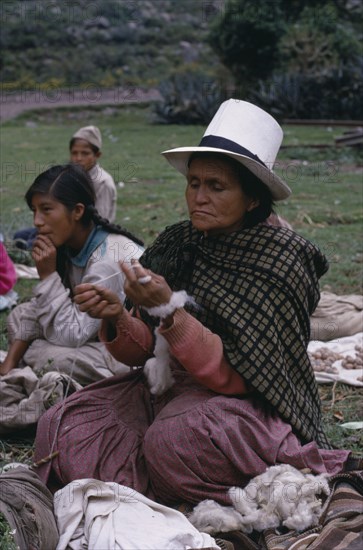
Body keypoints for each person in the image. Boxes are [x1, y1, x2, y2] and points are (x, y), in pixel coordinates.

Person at [34, 100, 359, 504]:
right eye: (194, 183)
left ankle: (170, 479)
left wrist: (171, 309)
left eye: (216, 186)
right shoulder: (177, 243)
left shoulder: (281, 260)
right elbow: (145, 354)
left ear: (253, 199)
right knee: (62, 426)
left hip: (243, 405)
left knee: (173, 443)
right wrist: (118, 314)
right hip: (168, 390)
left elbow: (240, 378)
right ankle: (163, 482)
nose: (199, 197)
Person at [0, 164, 144, 384]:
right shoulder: (70, 243)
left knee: (48, 356)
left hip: (130, 351)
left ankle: (108, 383)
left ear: (77, 211)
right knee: (19, 316)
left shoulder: (107, 260)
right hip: (88, 332)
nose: (36, 221)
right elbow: (50, 310)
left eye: (46, 209)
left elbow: (74, 334)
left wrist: (48, 276)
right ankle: (22, 365)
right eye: (34, 210)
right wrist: (9, 364)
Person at [13, 125, 117, 249]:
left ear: (97, 155)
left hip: (82, 231)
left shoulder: (103, 182)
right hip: (62, 222)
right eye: (74, 153)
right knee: (20, 235)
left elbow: (101, 222)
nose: (78, 158)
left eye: (85, 154)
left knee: (33, 243)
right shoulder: (70, 175)